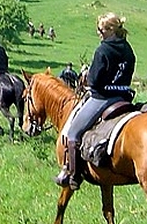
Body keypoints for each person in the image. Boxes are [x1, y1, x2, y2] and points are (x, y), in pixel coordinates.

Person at [54, 12, 136, 190]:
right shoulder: (128, 49)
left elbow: (94, 81)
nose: (98, 33)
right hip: (124, 96)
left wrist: (88, 73)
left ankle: (73, 175)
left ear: (109, 30)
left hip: (102, 98)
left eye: (100, 29)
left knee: (72, 133)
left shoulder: (103, 49)